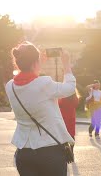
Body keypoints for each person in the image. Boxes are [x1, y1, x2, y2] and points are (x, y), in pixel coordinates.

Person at [5, 41, 75, 176]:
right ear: (34, 63)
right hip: (49, 152)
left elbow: (30, 81)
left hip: (24, 153)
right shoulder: (44, 84)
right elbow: (70, 88)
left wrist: (36, 62)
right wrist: (66, 64)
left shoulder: (10, 86)